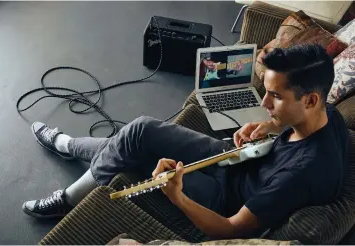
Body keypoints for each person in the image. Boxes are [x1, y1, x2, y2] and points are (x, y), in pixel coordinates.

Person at [22, 44, 349, 239]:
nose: (264, 103)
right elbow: (297, 137)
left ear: (309, 100)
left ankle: (68, 189)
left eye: (275, 97)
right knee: (139, 131)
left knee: (133, 154)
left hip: (223, 197)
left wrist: (178, 197)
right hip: (236, 158)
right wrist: (271, 126)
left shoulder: (300, 177)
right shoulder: (327, 115)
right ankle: (67, 147)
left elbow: (231, 229)